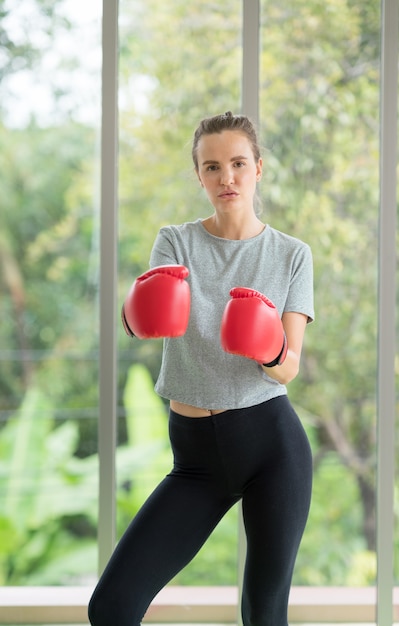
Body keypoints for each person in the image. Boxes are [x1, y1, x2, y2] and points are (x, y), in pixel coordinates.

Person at [88, 111, 314, 626]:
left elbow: (289, 368)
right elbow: (144, 321)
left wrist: (267, 346)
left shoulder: (291, 255)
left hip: (271, 447)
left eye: (237, 164)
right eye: (212, 167)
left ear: (258, 168)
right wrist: (133, 310)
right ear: (199, 176)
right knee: (112, 606)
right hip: (195, 461)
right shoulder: (176, 241)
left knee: (263, 613)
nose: (225, 178)